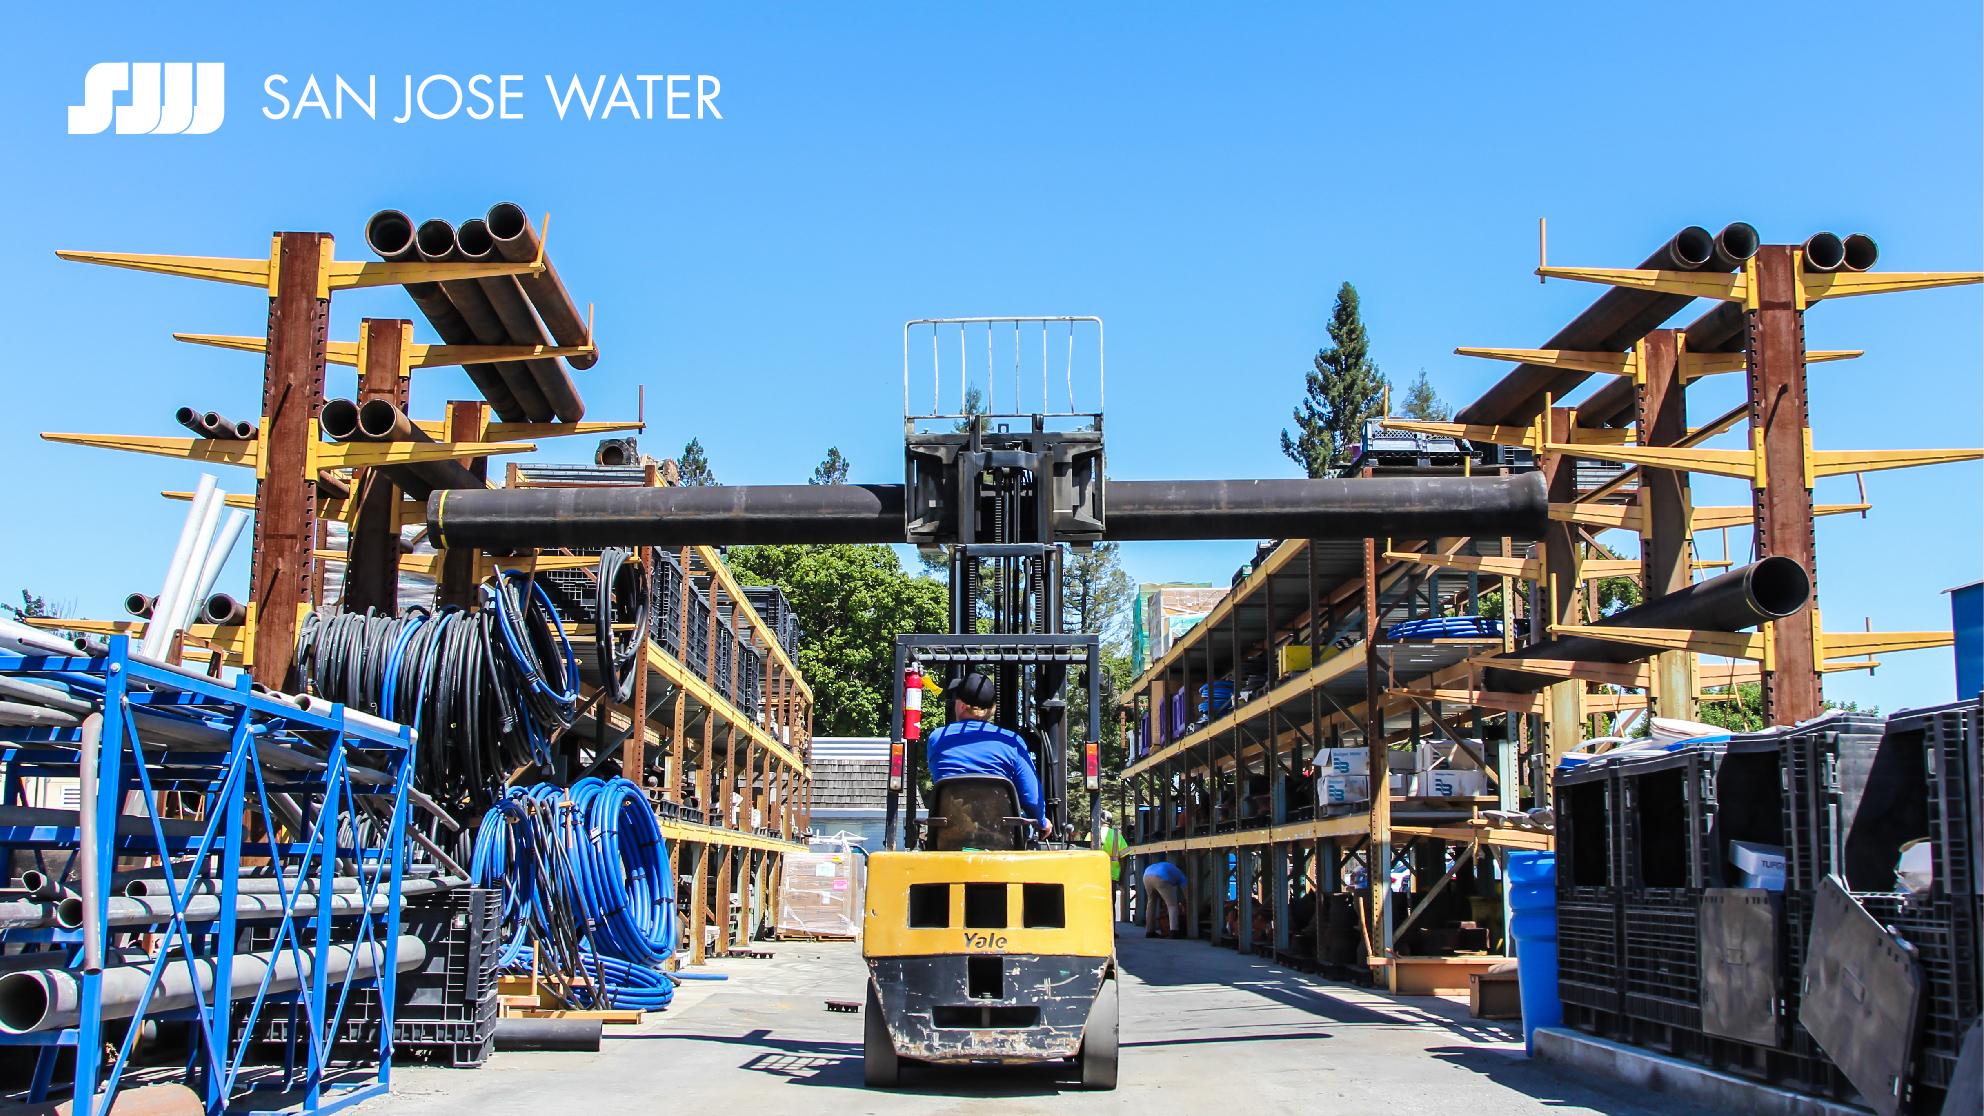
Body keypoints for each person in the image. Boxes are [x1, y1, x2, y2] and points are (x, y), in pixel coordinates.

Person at [924, 672, 1052, 836]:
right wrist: (1042, 822)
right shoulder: (1011, 741)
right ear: (992, 709)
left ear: (962, 705)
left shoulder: (937, 738)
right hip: (1002, 840)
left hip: (949, 838)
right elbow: (1032, 799)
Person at [1142, 859, 1187, 938]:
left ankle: (1149, 931)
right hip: (1160, 876)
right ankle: (1174, 931)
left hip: (1146, 875)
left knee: (1151, 903)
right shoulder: (1181, 875)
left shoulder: (1169, 867)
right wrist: (1186, 904)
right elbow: (1186, 892)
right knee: (1172, 905)